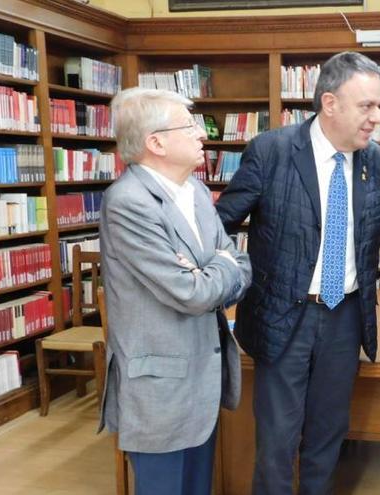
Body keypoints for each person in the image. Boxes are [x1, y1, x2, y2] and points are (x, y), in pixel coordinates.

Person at [215, 51, 380, 494]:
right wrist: (227, 275)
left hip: (346, 315)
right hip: (283, 317)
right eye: (367, 106)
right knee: (278, 438)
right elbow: (221, 221)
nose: (377, 117)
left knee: (328, 432)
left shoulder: (379, 162)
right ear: (330, 103)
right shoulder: (272, 151)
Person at [98, 88, 251, 495]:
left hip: (204, 375)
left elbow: (242, 265)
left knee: (198, 488)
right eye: (189, 126)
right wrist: (219, 267)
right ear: (156, 142)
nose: (201, 135)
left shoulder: (197, 192)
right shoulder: (128, 202)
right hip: (159, 385)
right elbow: (191, 293)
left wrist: (211, 270)